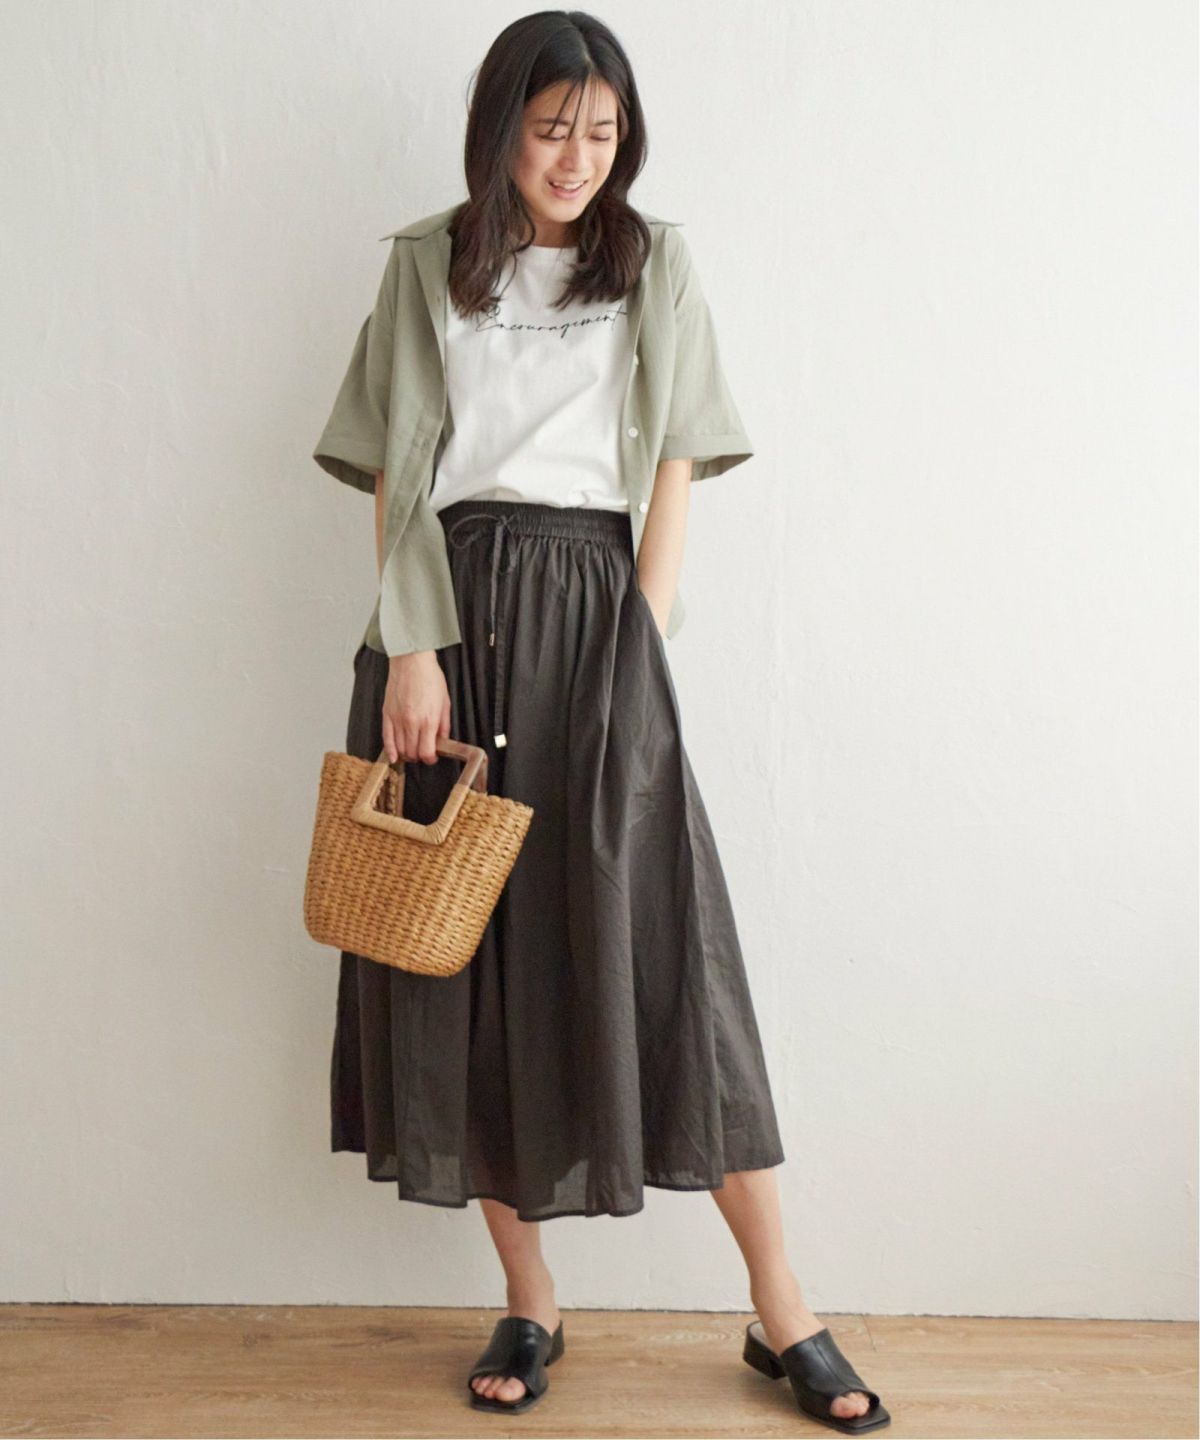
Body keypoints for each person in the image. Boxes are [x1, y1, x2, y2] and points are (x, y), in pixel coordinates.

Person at [312, 11, 889, 1434]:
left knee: (670, 955)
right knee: (465, 959)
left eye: (602, 131)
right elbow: (396, 475)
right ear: (501, 128)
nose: (576, 157)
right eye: (551, 127)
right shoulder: (426, 261)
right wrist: (412, 647)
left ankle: (783, 1309)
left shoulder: (655, 261)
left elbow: (678, 453)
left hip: (596, 618)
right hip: (450, 618)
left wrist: (645, 631)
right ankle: (531, 1296)